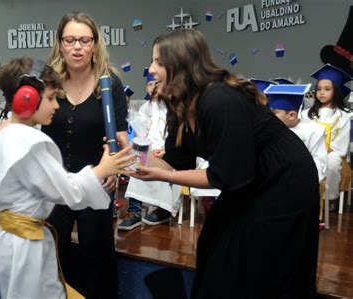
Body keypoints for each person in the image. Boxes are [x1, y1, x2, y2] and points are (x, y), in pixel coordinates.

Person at [132, 30, 319, 298]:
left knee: (259, 259)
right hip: (247, 179)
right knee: (215, 242)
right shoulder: (180, 105)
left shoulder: (219, 99)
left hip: (283, 181)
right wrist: (133, 155)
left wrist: (165, 178)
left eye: (159, 62)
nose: (151, 69)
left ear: (182, 65)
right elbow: (174, 163)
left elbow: (225, 175)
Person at [0, 56, 133, 298]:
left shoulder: (4, 137)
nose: (56, 106)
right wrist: (104, 168)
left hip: (8, 236)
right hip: (25, 244)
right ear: (26, 100)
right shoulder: (31, 143)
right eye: (51, 98)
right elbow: (67, 190)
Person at [41, 12, 128, 298]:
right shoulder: (47, 83)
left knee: (96, 250)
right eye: (70, 40)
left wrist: (113, 169)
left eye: (84, 40)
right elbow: (21, 121)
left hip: (96, 179)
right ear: (60, 44)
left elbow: (120, 138)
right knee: (53, 247)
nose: (77, 47)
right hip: (55, 181)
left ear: (94, 45)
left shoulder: (110, 83)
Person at [119, 74, 180, 230]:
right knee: (137, 166)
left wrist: (166, 150)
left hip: (169, 150)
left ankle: (163, 211)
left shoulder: (176, 107)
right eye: (152, 84)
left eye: (158, 84)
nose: (155, 87)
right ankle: (135, 212)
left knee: (167, 166)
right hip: (148, 148)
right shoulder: (146, 107)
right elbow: (141, 129)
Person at [267, 83, 329, 228]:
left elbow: (320, 164)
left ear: (292, 115)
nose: (270, 116)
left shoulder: (314, 131)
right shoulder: (270, 129)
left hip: (301, 183)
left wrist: (297, 180)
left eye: (274, 112)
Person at [301, 64, 352, 211]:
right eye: (319, 89)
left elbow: (341, 145)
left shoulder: (345, 115)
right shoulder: (306, 114)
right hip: (308, 151)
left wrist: (324, 152)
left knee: (332, 163)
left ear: (336, 91)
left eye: (327, 89)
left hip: (332, 152)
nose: (321, 92)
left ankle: (328, 198)